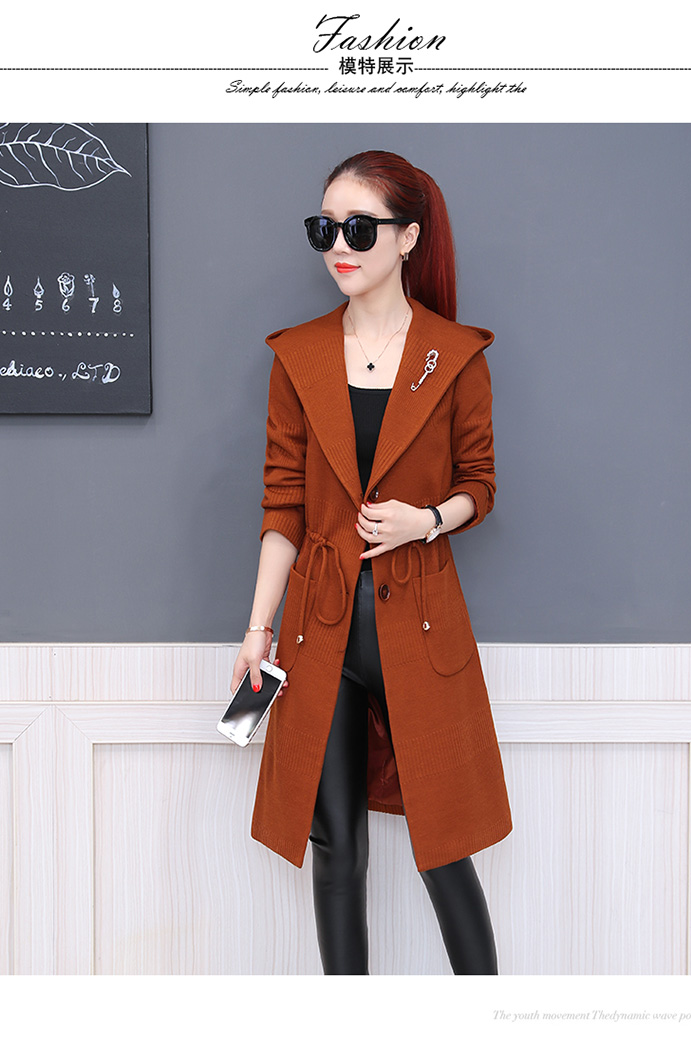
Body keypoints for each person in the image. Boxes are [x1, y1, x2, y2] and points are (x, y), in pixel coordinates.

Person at [230, 150, 513, 975]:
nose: (338, 248)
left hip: (419, 626)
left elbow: (480, 485)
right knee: (336, 847)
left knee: (444, 846)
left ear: (408, 237)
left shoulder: (455, 355)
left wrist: (426, 520)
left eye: (359, 229)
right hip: (319, 631)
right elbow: (283, 505)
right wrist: (257, 629)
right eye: (324, 230)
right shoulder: (299, 356)